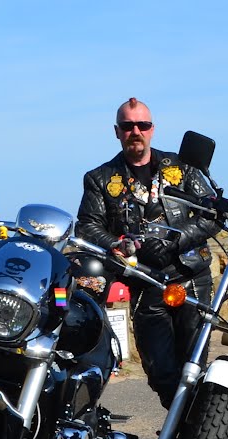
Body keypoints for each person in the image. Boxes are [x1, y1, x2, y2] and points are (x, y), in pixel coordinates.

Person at [76, 98, 217, 409]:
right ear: (117, 132)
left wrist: (174, 242)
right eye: (128, 126)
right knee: (161, 370)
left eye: (142, 125)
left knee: (194, 367)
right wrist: (126, 244)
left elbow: (212, 214)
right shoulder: (99, 178)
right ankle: (187, 426)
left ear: (153, 129)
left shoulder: (183, 167)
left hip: (190, 277)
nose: (135, 131)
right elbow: (86, 226)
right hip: (143, 282)